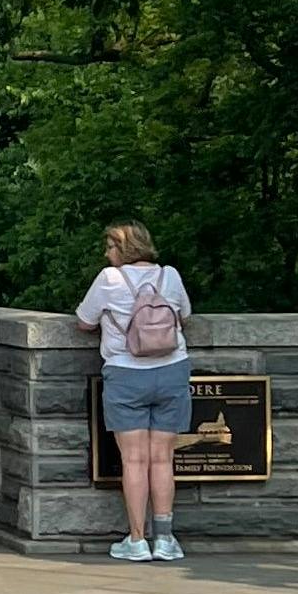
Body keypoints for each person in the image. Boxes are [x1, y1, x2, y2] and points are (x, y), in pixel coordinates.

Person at [76, 220, 196, 562]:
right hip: (172, 370)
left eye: (110, 247)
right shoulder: (169, 275)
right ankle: (166, 539)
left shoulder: (109, 279)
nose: (106, 253)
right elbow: (184, 316)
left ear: (123, 248)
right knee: (162, 459)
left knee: (134, 459)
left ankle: (137, 539)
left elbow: (84, 321)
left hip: (127, 373)